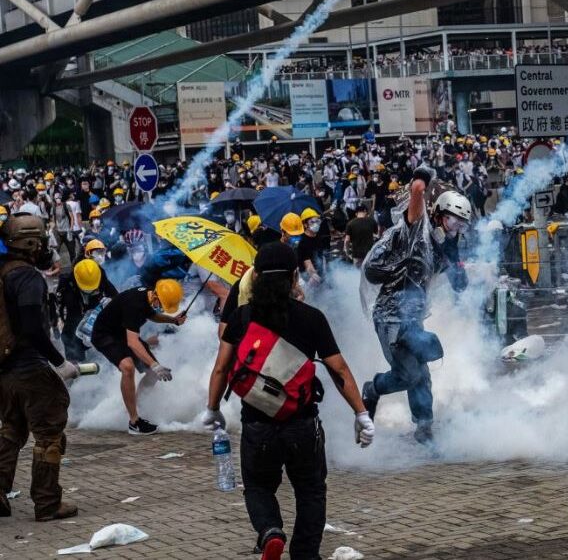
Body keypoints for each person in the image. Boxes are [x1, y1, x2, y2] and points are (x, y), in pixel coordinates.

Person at [202, 242, 373, 560]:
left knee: (258, 486)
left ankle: (270, 532)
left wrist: (212, 409)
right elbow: (339, 369)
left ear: (255, 278)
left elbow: (221, 368)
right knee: (310, 490)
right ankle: (305, 554)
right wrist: (361, 413)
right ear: (295, 276)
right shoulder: (311, 318)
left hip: (257, 424)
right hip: (302, 423)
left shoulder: (241, 318)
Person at [361, 168, 471, 445]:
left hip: (412, 317)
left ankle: (424, 427)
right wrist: (421, 179)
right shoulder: (416, 231)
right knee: (409, 374)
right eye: (452, 221)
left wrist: (459, 271)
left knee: (421, 373)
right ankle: (372, 389)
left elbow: (456, 281)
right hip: (389, 317)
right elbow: (417, 195)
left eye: (461, 225)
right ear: (438, 215)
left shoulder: (441, 246)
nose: (455, 229)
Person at [0, 214, 79, 521]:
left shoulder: (3, 273)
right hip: (30, 368)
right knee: (49, 435)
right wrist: (60, 363)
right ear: (31, 243)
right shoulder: (27, 277)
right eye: (43, 241)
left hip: (4, 370)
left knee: (11, 430)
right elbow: (33, 327)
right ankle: (47, 503)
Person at [90, 279, 187, 435]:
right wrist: (155, 365)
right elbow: (133, 342)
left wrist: (173, 320)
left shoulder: (149, 295)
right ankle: (134, 422)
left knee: (152, 373)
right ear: (155, 296)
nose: (162, 308)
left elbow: (152, 315)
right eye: (161, 304)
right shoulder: (134, 305)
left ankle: (133, 406)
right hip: (105, 335)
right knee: (128, 368)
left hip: (122, 332)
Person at [56, 259, 118, 361]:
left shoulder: (99, 275)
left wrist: (110, 303)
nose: (90, 290)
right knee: (71, 335)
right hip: (75, 310)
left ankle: (105, 356)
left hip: (95, 306)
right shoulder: (66, 285)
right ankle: (76, 362)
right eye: (87, 288)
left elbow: (115, 296)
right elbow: (66, 314)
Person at [296, 208, 324, 287]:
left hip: (319, 272)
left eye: (317, 221)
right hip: (309, 277)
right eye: (312, 222)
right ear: (305, 224)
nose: (316, 224)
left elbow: (321, 256)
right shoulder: (303, 242)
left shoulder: (318, 236)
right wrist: (314, 276)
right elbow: (307, 264)